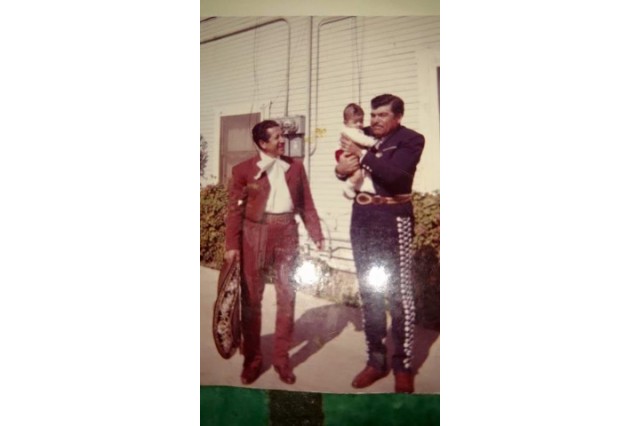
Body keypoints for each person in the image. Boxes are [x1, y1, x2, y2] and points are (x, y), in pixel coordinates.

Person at [335, 94, 425, 394]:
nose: (375, 121)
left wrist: (362, 156)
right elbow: (342, 168)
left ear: (398, 117)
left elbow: (396, 176)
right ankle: (376, 361)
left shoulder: (411, 139)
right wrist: (341, 170)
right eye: (373, 115)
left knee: (399, 295)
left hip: (393, 216)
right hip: (362, 217)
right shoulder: (363, 136)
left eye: (382, 115)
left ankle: (403, 366)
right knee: (370, 292)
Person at [224, 120, 325, 386]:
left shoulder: (295, 167)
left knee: (286, 296)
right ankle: (253, 361)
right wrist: (231, 246)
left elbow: (307, 204)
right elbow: (235, 210)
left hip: (287, 234)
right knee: (251, 300)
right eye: (277, 137)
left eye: (283, 136)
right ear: (262, 143)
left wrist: (316, 234)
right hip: (254, 235)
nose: (283, 140)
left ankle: (281, 359)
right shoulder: (243, 170)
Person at [334, 103, 378, 199]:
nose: (359, 124)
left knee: (358, 172)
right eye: (355, 122)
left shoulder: (407, 138)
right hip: (345, 154)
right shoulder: (352, 132)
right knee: (357, 173)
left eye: (361, 121)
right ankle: (348, 186)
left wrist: (359, 151)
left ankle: (350, 186)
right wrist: (340, 170)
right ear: (346, 122)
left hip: (380, 198)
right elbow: (363, 140)